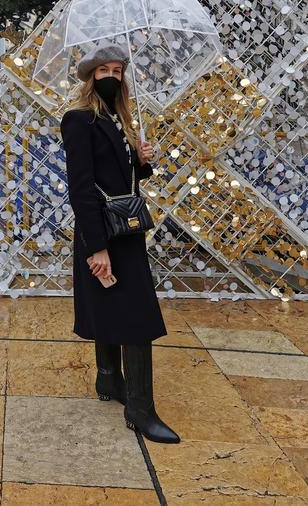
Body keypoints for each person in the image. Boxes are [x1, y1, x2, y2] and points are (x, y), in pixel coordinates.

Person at [60, 42, 180, 445]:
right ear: (90, 76)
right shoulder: (78, 120)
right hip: (102, 233)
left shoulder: (118, 118)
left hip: (126, 230)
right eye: (103, 71)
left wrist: (141, 161)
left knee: (113, 305)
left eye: (117, 71)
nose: (111, 76)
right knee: (138, 317)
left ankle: (109, 379)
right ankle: (140, 410)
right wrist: (96, 248)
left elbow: (123, 181)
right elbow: (80, 188)